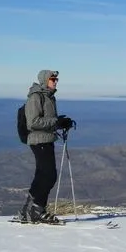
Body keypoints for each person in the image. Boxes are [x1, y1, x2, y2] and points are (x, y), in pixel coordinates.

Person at [15, 69, 74, 224]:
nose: (55, 81)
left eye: (56, 79)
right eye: (53, 79)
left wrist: (60, 123)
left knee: (42, 175)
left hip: (46, 139)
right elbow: (33, 122)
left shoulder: (49, 97)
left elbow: (47, 120)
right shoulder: (36, 97)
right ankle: (37, 210)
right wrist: (56, 122)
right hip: (38, 141)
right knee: (49, 175)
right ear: (45, 80)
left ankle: (29, 210)